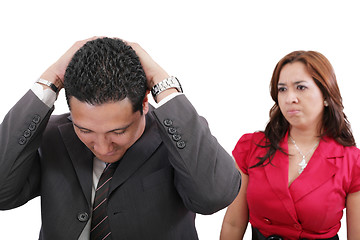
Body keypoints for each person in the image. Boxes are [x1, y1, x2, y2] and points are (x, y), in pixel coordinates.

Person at [0, 37, 241, 240]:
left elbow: (214, 196)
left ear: (144, 103)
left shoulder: (179, 137)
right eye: (85, 131)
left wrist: (161, 80)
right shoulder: (52, 134)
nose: (103, 148)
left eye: (118, 132)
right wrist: (50, 78)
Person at [220, 50, 360, 239]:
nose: (289, 98)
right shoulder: (251, 147)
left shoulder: (352, 161)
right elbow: (233, 223)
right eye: (282, 89)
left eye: (300, 87)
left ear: (326, 95)